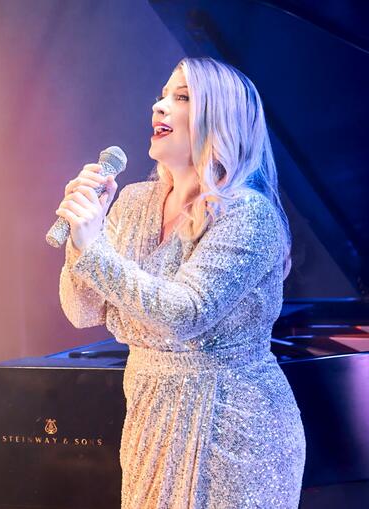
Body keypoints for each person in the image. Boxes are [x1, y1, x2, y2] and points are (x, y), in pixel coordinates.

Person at [57, 57, 305, 508]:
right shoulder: (132, 202)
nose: (159, 106)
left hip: (233, 427)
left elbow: (182, 314)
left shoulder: (248, 215)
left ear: (221, 118)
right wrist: (79, 240)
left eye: (182, 97)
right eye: (162, 94)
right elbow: (82, 311)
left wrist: (94, 249)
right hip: (150, 420)